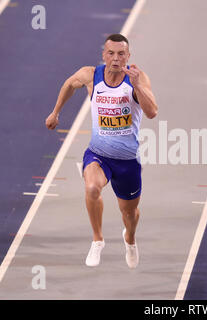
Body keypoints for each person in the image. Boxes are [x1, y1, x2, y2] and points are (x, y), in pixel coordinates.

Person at [45, 34, 158, 268]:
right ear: (103, 54)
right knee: (92, 187)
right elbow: (69, 84)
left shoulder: (137, 78)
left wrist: (137, 86)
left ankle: (130, 239)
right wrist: (56, 112)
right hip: (98, 154)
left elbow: (152, 112)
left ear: (128, 56)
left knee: (130, 213)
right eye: (111, 53)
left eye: (121, 54)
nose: (116, 59)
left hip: (127, 161)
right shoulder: (91, 75)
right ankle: (97, 240)